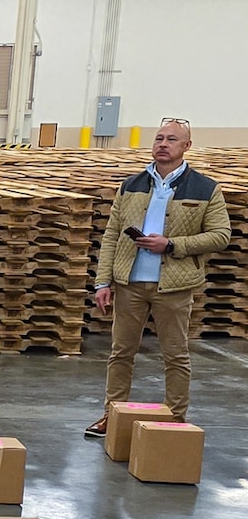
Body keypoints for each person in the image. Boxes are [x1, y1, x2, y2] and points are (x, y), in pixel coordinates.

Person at [85, 119, 231, 435]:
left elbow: (221, 235)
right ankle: (111, 415)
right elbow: (111, 234)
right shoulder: (131, 185)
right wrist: (103, 281)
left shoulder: (205, 188)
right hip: (130, 284)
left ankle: (176, 420)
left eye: (172, 139)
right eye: (159, 138)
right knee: (121, 353)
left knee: (175, 355)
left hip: (175, 287)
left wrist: (172, 245)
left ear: (186, 146)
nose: (163, 144)